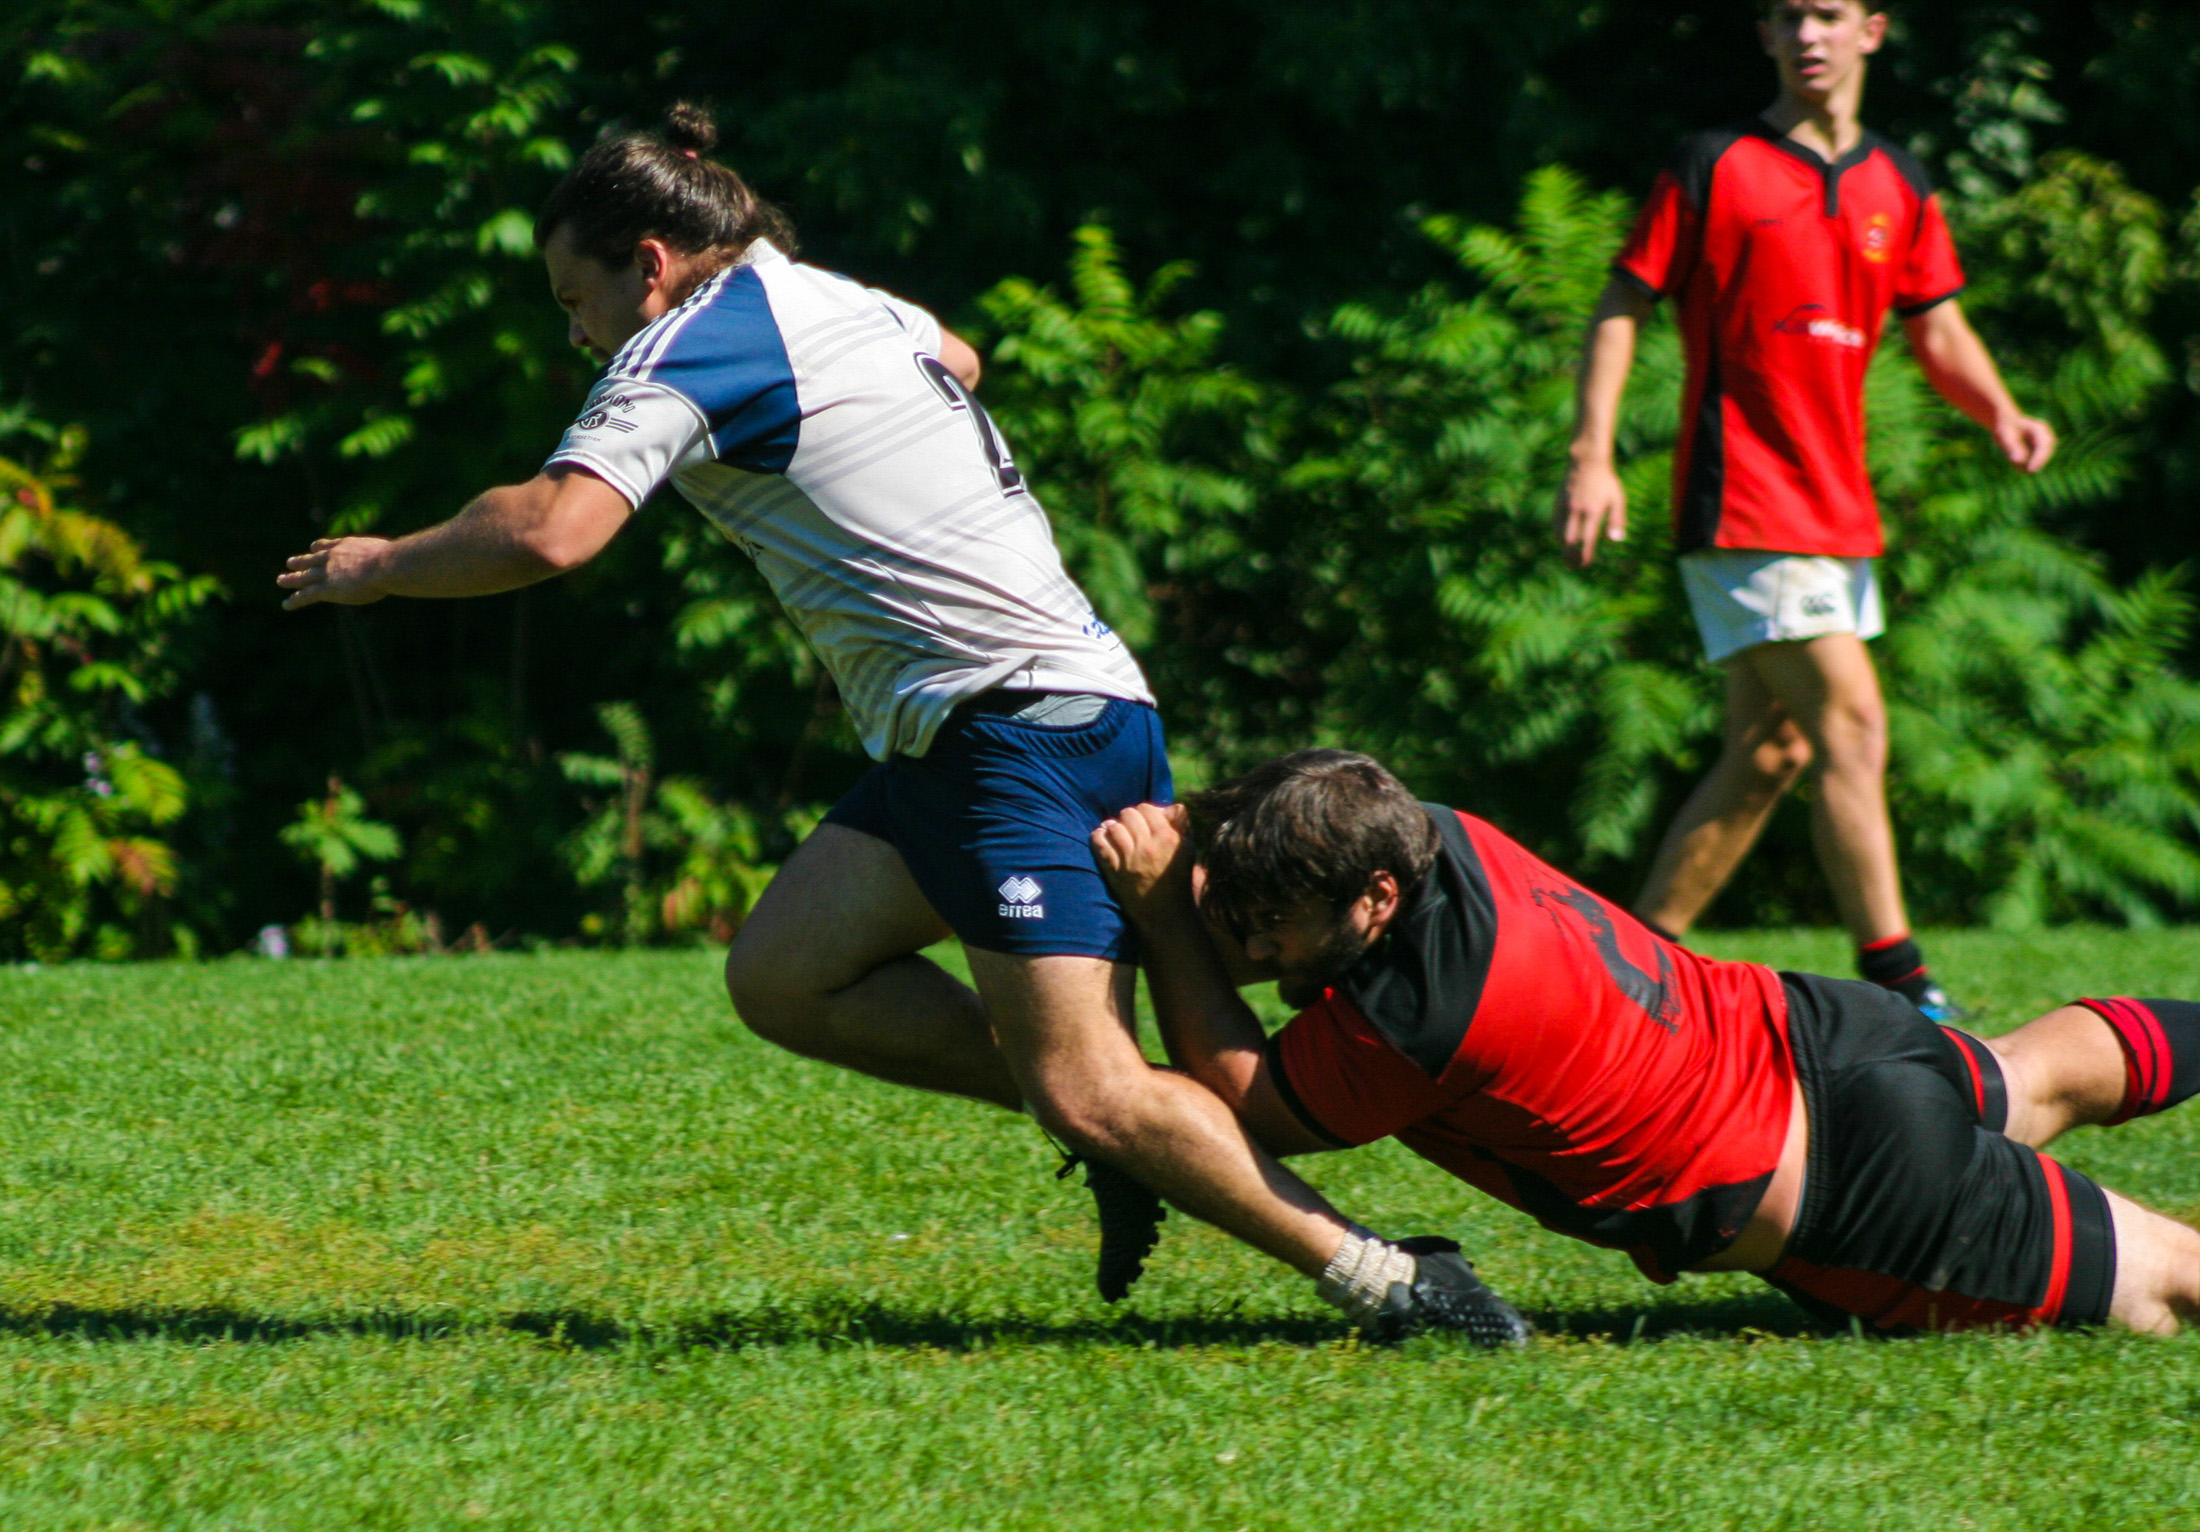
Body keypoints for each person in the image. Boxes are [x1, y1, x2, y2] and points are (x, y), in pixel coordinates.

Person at [274, 103, 1487, 1336]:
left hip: (1009, 727)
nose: (572, 330)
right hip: (1002, 715)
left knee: (1088, 1087)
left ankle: (1390, 1277)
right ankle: (1141, 1135)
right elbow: (958, 356)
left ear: (648, 263)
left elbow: (552, 527)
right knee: (787, 976)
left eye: (569, 295)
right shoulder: (839, 299)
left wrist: (380, 564)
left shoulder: (688, 344)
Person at [1092, 749, 2200, 1335]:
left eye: (1270, 931)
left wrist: (1156, 919)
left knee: (2170, 1280)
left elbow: (1244, 1094)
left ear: (1374, 898)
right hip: (1829, 1034)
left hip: (1849, 1189)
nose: (1259, 955)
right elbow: (1291, 912)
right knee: (2027, 1071)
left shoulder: (1416, 1017)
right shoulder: (1435, 827)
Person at [1555, 0, 2058, 1021]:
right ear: (1764, 37)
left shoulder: (1897, 184)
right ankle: (1903, 979)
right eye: (1786, 18)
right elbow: (1622, 302)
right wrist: (1591, 452)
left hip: (1838, 510)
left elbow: (1938, 321)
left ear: (1873, 29)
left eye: (1827, 14)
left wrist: (1999, 409)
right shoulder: (1714, 165)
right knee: (1852, 719)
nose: (1807, 36)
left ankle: (1628, 968)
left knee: (1772, 750)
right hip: (1741, 495)